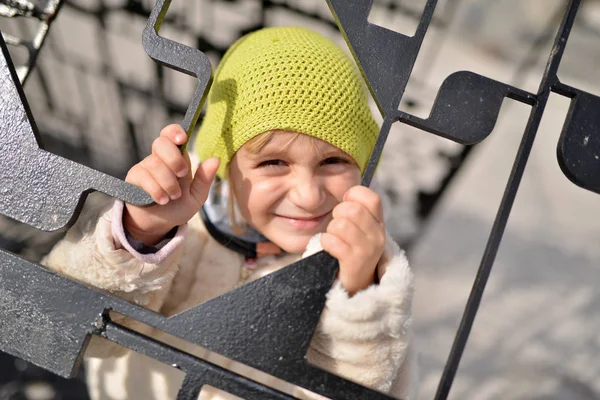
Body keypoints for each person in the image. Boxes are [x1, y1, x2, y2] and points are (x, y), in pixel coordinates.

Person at [42, 26, 417, 399]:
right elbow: (69, 329)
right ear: (223, 162)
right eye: (273, 162)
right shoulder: (180, 223)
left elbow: (371, 387)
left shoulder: (365, 265)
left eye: (334, 160)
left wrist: (357, 295)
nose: (307, 195)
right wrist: (141, 233)